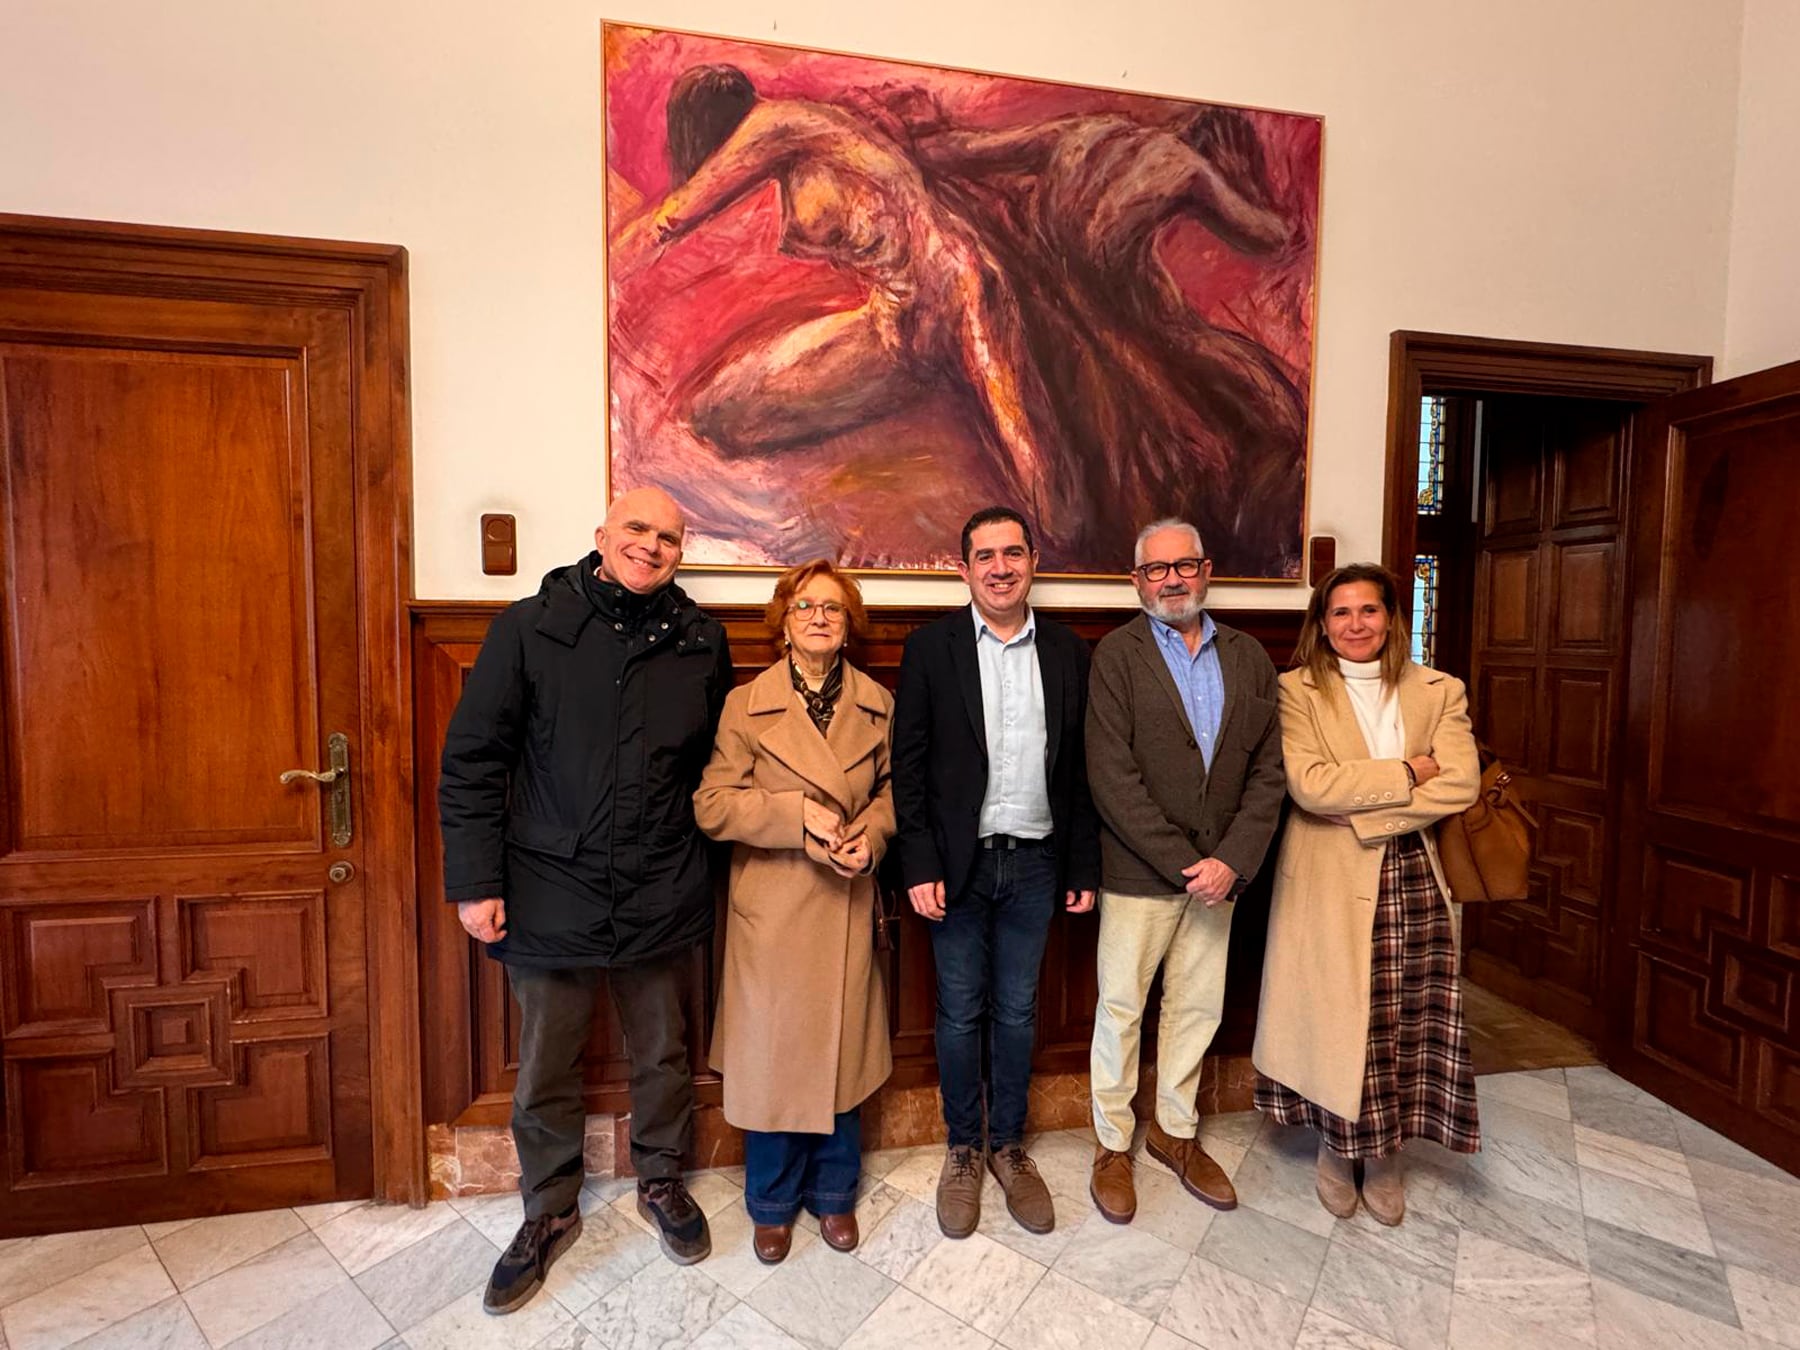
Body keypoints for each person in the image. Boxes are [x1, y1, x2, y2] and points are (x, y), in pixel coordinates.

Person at [439, 487, 733, 1312]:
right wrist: (475, 881)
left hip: (662, 884)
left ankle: (664, 1179)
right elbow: (472, 761)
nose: (652, 545)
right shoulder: (529, 627)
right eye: (637, 529)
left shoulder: (701, 643)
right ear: (601, 534)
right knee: (545, 1064)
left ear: (683, 551)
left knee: (665, 1053)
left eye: (670, 536)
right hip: (546, 886)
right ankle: (548, 1206)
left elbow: (715, 768)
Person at [611, 65, 1078, 538]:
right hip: (895, 326)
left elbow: (674, 217)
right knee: (718, 413)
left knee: (1042, 485)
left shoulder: (776, 125)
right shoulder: (805, 150)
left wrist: (609, 269)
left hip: (965, 293)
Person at [892, 506, 1101, 1238]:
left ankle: (1009, 1146)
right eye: (985, 555)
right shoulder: (931, 649)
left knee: (1017, 1012)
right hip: (958, 867)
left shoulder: (1071, 652)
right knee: (957, 1013)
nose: (1001, 567)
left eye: (1013, 553)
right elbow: (907, 769)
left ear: (1033, 561)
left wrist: (1082, 863)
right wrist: (917, 862)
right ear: (964, 568)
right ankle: (962, 1149)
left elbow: (1080, 770)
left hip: (1038, 864)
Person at [1252, 563, 1482, 1225]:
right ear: (1322, 625)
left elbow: (1461, 784)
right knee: (1335, 1019)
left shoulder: (1439, 690)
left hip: (1412, 876)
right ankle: (1334, 1147)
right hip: (1326, 881)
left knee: (1402, 1019)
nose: (1356, 625)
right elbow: (1312, 786)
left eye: (1369, 611)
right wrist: (1410, 772)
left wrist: (1367, 812)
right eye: (1341, 613)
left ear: (1390, 618)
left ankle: (1385, 1156)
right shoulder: (1295, 691)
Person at [693, 560, 896, 1265]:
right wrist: (794, 816)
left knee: (841, 1055)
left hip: (844, 898)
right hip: (773, 911)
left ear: (848, 628)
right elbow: (712, 805)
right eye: (805, 606)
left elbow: (894, 796)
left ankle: (835, 1194)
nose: (818, 618)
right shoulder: (745, 705)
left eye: (833, 610)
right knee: (774, 1061)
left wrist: (867, 839)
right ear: (783, 621)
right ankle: (772, 1203)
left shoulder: (877, 703)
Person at [1084, 518, 1285, 1223]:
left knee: (1197, 1009)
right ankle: (1112, 1144)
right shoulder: (1115, 655)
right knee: (1121, 1009)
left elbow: (1270, 774)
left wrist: (1230, 861)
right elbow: (1111, 776)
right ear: (1136, 581)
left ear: (1206, 571)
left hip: (1220, 880)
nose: (1172, 579)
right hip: (1140, 873)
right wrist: (1183, 860)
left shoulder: (1252, 658)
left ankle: (1175, 1133)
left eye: (1185, 566)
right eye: (1156, 569)